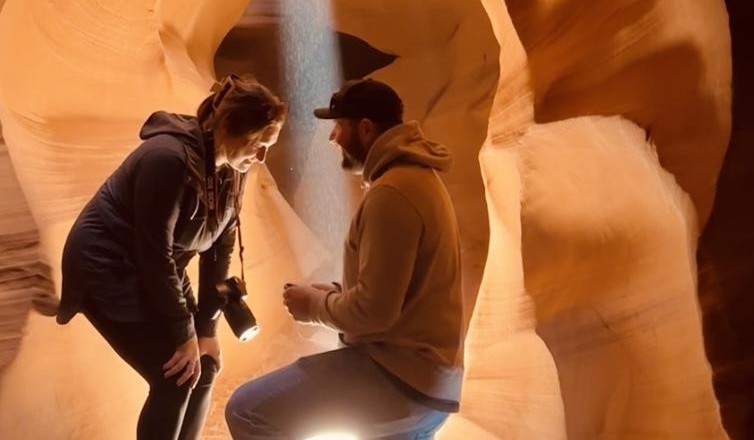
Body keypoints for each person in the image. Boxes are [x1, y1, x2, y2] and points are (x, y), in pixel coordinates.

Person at [225, 78, 464, 440]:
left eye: (339, 127)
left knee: (247, 410)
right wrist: (337, 291)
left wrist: (316, 305)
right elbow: (402, 294)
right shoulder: (416, 180)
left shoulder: (393, 193)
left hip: (399, 379)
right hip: (430, 385)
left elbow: (375, 312)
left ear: (366, 129)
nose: (332, 137)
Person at [56, 75, 286, 440]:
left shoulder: (229, 170)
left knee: (205, 366)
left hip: (155, 268)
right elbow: (153, 251)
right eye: (259, 142)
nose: (261, 155)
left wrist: (206, 330)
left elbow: (219, 249)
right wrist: (183, 333)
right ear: (228, 126)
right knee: (175, 378)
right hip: (106, 266)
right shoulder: (167, 160)